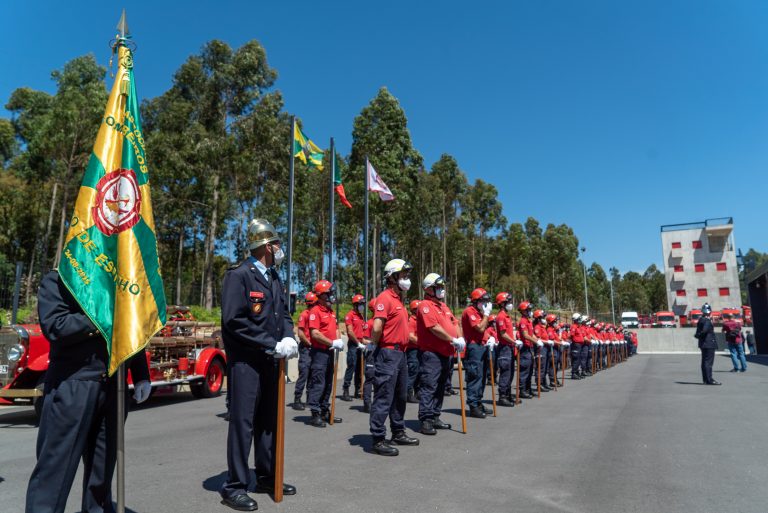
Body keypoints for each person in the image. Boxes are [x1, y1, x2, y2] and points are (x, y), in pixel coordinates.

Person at [25, 270, 151, 513]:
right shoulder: (60, 278)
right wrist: (103, 315)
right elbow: (56, 326)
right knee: (54, 470)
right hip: (74, 385)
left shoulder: (118, 282)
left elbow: (132, 330)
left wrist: (141, 373)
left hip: (114, 385)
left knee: (102, 471)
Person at [220, 218, 299, 511]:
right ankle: (235, 486)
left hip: (270, 362)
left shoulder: (274, 277)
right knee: (243, 424)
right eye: (277, 244)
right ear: (267, 246)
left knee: (268, 422)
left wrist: (288, 337)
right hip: (246, 363)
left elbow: (284, 314)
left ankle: (266, 476)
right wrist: (270, 343)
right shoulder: (239, 275)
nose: (279, 249)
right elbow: (234, 320)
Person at [369, 259, 420, 456]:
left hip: (400, 354)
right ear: (392, 277)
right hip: (388, 353)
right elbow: (377, 326)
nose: (407, 279)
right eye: (403, 275)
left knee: (400, 397)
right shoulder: (385, 297)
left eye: (407, 275)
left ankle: (398, 432)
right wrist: (374, 344)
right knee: (384, 396)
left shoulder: (398, 300)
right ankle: (378, 438)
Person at [416, 273, 464, 435]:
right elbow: (433, 327)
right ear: (428, 289)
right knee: (429, 386)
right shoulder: (425, 305)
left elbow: (455, 323)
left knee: (441, 386)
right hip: (431, 354)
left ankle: (435, 415)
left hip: (446, 353)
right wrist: (452, 339)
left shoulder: (444, 306)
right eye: (438, 287)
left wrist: (460, 338)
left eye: (442, 287)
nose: (442, 290)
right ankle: (426, 419)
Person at [306, 280, 345, 427]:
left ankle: (324, 410)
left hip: (329, 352)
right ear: (321, 295)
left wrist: (338, 341)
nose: (332, 295)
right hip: (319, 353)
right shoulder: (315, 311)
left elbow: (336, 329)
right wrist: (332, 343)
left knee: (328, 382)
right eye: (329, 293)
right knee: (318, 382)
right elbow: (315, 334)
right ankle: (315, 413)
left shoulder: (330, 311)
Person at [461, 288, 493, 418]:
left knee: (482, 376)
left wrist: (489, 338)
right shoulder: (470, 311)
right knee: (475, 376)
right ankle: (473, 405)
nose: (486, 303)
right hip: (474, 347)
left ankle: (478, 402)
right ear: (476, 301)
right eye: (483, 301)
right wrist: (486, 314)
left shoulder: (480, 313)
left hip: (482, 346)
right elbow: (479, 328)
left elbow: (484, 331)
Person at [293, 292, 317, 410]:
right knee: (304, 373)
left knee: (312, 374)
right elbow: (301, 333)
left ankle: (309, 399)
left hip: (314, 348)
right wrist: (309, 343)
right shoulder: (304, 314)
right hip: (306, 348)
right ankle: (297, 399)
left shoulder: (315, 314)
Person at [341, 294, 367, 402]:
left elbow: (362, 333)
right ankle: (346, 390)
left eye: (363, 304)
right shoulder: (350, 315)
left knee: (360, 369)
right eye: (361, 304)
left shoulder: (361, 316)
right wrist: (358, 343)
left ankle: (358, 390)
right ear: (355, 305)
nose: (362, 306)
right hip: (353, 345)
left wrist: (365, 343)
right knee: (351, 366)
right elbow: (350, 332)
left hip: (361, 345)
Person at [494, 292, 517, 407]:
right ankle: (502, 397)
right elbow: (503, 334)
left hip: (509, 347)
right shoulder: (501, 317)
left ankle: (507, 394)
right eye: (508, 302)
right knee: (505, 372)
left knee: (511, 372)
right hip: (505, 348)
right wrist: (514, 342)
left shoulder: (506, 316)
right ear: (502, 303)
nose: (510, 304)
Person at [694, 303, 721, 386]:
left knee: (704, 362)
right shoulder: (707, 321)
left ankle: (705, 379)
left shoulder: (700, 320)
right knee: (708, 362)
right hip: (709, 343)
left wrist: (698, 336)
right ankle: (709, 379)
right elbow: (704, 331)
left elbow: (699, 332)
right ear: (709, 312)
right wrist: (700, 335)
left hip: (703, 343)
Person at [517, 301, 537, 398]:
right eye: (528, 309)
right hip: (525, 348)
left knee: (530, 370)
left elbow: (531, 334)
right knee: (525, 370)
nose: (530, 311)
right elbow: (525, 335)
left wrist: (537, 340)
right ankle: (522, 390)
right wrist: (536, 341)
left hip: (530, 347)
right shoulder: (523, 321)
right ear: (523, 311)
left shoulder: (528, 321)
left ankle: (528, 389)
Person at [406, 300, 421, 403]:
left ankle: (418, 393)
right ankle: (408, 394)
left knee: (419, 372)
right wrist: (423, 343)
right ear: (414, 310)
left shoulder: (420, 320)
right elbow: (411, 337)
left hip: (420, 349)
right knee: (413, 372)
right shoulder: (411, 321)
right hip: (413, 350)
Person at [361, 300, 375, 413]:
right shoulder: (369, 323)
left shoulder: (384, 322)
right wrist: (372, 343)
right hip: (371, 353)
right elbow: (364, 339)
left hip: (382, 353)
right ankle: (367, 403)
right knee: (370, 378)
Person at [569, 313, 585, 379]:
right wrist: (571, 341)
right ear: (576, 319)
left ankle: (577, 372)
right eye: (579, 319)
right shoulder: (574, 326)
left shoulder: (578, 327)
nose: (580, 320)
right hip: (576, 344)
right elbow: (571, 335)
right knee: (576, 359)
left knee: (579, 359)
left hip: (579, 345)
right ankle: (574, 373)